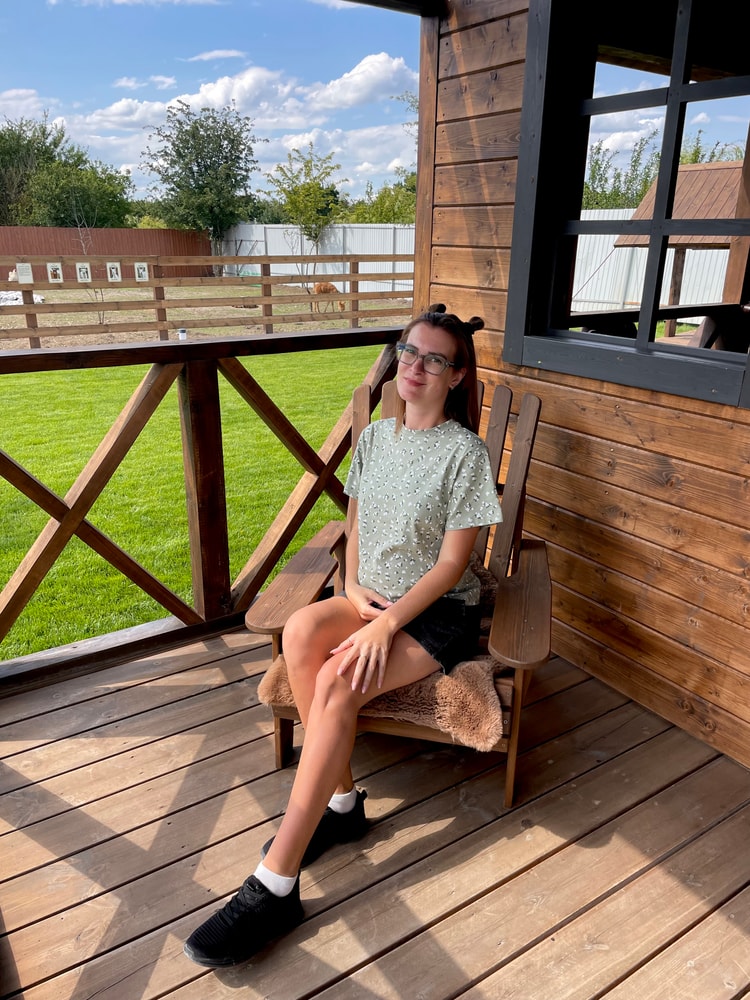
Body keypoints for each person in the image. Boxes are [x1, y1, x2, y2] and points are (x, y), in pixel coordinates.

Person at [183, 304, 503, 968]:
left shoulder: (464, 454)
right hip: (369, 597)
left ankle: (275, 883)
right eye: (408, 352)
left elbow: (452, 565)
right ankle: (342, 802)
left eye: (434, 359)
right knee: (302, 629)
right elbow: (354, 523)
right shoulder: (376, 438)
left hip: (433, 611)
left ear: (456, 375)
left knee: (335, 680)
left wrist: (387, 622)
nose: (415, 367)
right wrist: (352, 588)